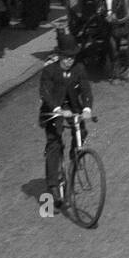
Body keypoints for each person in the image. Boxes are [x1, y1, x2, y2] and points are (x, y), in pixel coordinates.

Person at [39, 32, 94, 207]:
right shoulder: (49, 70)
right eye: (66, 58)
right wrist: (57, 109)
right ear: (59, 56)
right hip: (53, 111)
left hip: (73, 109)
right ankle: (53, 187)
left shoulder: (78, 69)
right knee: (54, 143)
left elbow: (86, 89)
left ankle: (74, 159)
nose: (69, 61)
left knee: (81, 131)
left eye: (72, 57)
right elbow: (45, 93)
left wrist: (86, 108)